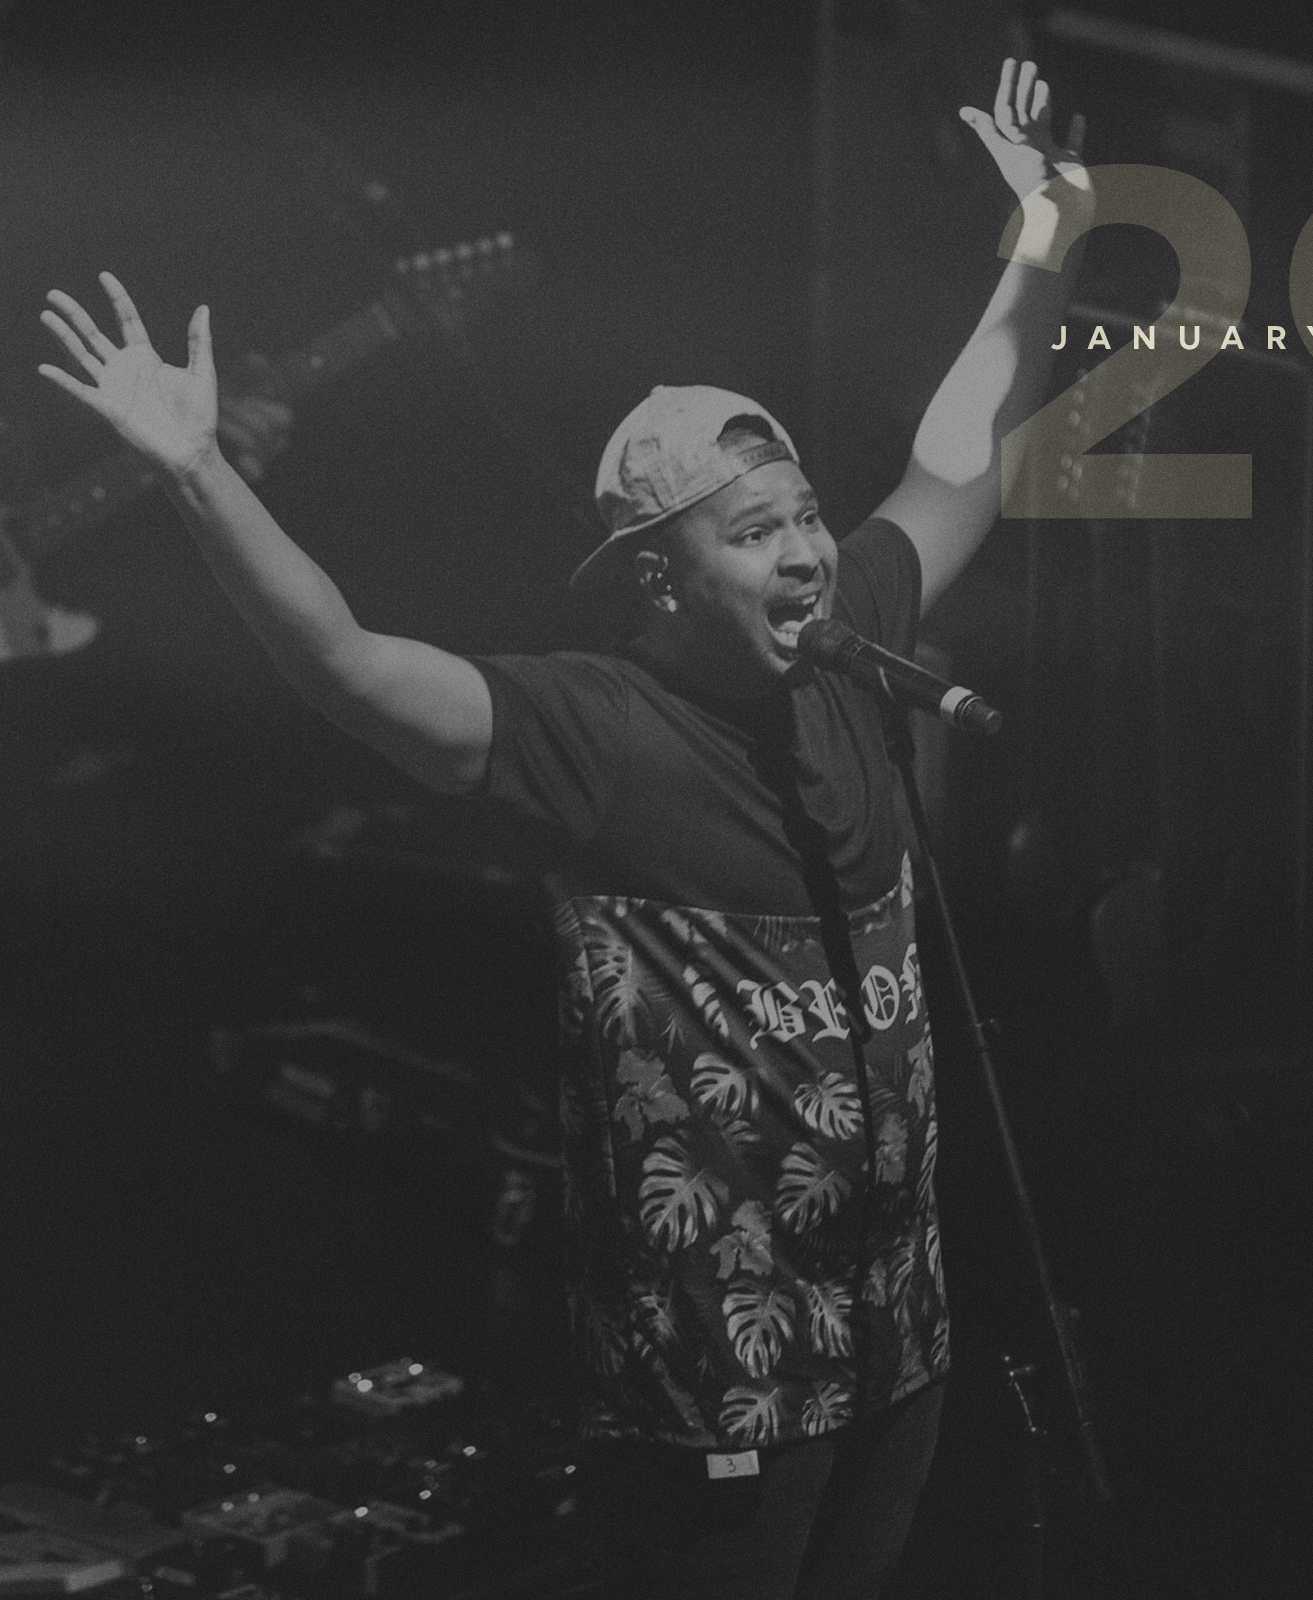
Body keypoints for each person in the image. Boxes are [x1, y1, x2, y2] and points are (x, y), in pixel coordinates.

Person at [37, 58, 1092, 1600]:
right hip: (718, 1379)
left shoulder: (849, 648)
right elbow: (347, 666)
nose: (810, 551)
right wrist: (198, 473)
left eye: (806, 515)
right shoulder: (591, 730)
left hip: (896, 1335)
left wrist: (1049, 237)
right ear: (659, 578)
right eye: (758, 534)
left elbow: (956, 453)